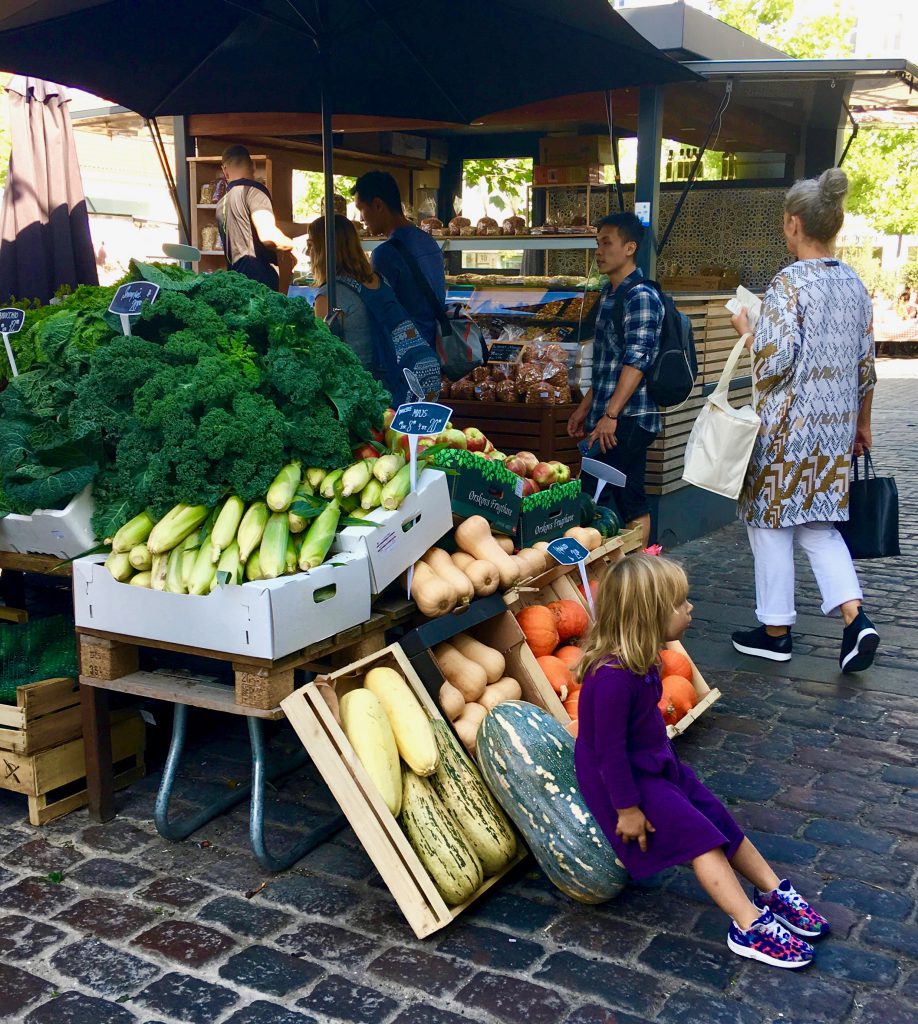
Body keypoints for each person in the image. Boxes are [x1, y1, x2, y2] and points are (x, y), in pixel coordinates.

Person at [575, 555, 828, 969]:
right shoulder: (611, 679)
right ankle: (747, 925)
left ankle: (771, 890)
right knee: (701, 839)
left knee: (717, 819)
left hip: (655, 765)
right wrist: (627, 809)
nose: (690, 609)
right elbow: (608, 754)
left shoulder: (644, 662)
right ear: (648, 615)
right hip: (623, 782)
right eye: (680, 603)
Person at [729, 168, 879, 673]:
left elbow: (771, 366)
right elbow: (866, 369)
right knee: (818, 526)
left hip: (786, 432)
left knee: (769, 524)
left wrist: (747, 329)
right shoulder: (855, 285)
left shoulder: (788, 284)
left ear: (794, 224)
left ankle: (776, 632)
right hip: (833, 431)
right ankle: (855, 620)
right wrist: (863, 425)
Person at [567, 213, 663, 548]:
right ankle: (637, 574)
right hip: (611, 415)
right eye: (597, 243)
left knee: (597, 497)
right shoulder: (610, 294)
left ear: (630, 248)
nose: (599, 251)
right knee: (628, 495)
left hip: (629, 418)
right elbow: (608, 364)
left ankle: (625, 574)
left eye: (607, 243)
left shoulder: (641, 296)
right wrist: (584, 409)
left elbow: (636, 362)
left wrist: (610, 416)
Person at [309, 215, 440, 405]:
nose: (307, 252)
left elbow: (321, 356)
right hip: (394, 381)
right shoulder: (378, 280)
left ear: (324, 249)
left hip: (362, 394)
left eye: (311, 245)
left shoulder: (329, 296)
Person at [352, 170, 445, 349]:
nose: (361, 218)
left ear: (378, 205)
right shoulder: (428, 241)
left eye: (361, 209)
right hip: (432, 346)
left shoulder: (386, 253)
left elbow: (379, 311)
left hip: (405, 351)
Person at [216, 144, 302, 292]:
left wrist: (311, 227)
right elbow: (269, 236)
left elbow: (270, 225)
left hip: (236, 285)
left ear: (225, 171)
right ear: (253, 165)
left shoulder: (222, 203)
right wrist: (293, 248)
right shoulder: (253, 191)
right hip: (260, 286)